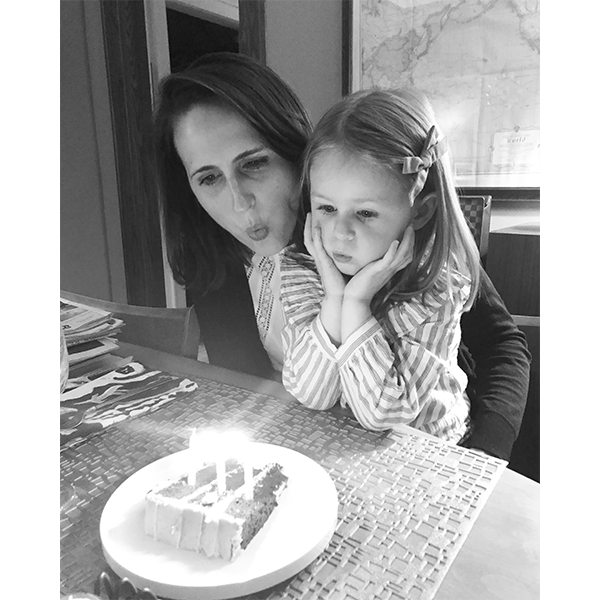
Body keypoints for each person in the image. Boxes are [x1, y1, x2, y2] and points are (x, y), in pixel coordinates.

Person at [153, 53, 530, 457]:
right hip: (315, 453)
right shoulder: (214, 260)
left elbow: (501, 344)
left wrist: (485, 462)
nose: (240, 203)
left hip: (430, 446)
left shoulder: (397, 241)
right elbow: (247, 389)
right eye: (209, 178)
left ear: (295, 154)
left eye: (255, 164)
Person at [280, 88, 481, 442]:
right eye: (327, 208)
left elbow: (384, 413)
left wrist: (356, 303)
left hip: (429, 450)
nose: (340, 233)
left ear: (420, 211)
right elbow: (310, 393)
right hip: (346, 441)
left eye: (366, 213)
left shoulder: (438, 290)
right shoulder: (303, 270)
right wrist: (333, 297)